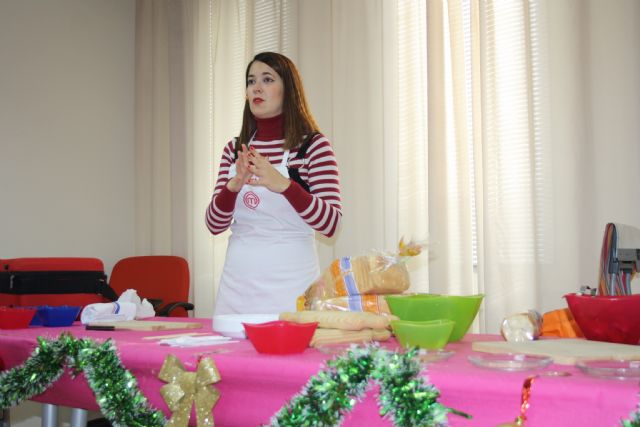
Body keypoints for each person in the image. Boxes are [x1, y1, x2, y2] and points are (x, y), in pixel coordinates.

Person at [205, 52, 342, 315]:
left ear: (288, 90)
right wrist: (232, 187)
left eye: (267, 79)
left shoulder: (313, 146)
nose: (256, 88)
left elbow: (330, 224)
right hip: (236, 289)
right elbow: (214, 225)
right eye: (251, 81)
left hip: (291, 288)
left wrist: (284, 186)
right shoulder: (234, 150)